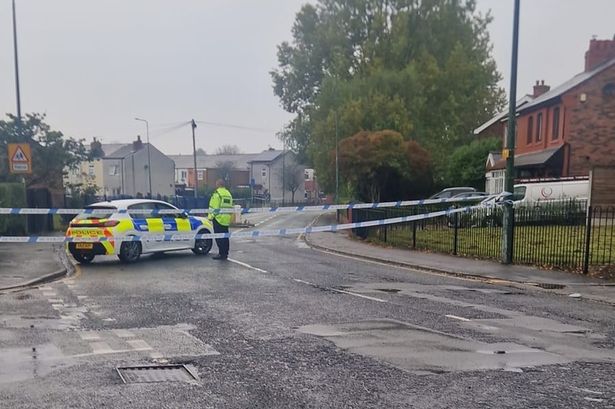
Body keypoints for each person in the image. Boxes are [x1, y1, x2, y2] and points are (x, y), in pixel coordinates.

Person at [208, 179, 233, 260]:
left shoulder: (217, 194)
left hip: (218, 218)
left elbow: (214, 207)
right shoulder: (228, 194)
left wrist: (211, 217)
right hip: (226, 218)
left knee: (219, 237)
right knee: (225, 237)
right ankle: (225, 253)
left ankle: (221, 254)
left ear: (218, 185)